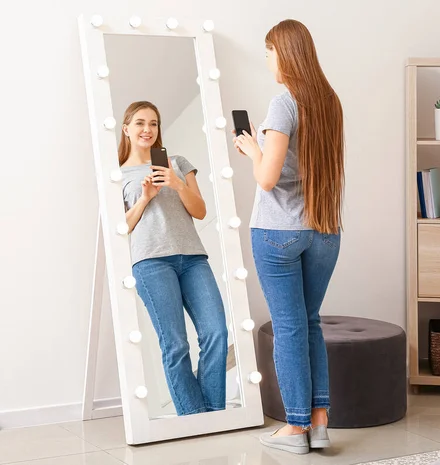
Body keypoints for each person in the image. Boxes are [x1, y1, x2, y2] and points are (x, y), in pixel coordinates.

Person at [233, 19, 345, 454]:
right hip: (324, 231)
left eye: (268, 51)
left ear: (284, 53)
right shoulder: (329, 102)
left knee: (290, 328)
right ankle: (319, 422)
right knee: (309, 322)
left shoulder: (284, 103)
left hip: (279, 232)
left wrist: (251, 149)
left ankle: (295, 429)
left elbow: (267, 178)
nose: (267, 60)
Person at [119, 100, 228, 416]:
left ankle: (211, 416)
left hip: (193, 259)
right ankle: (197, 420)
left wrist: (177, 184)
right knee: (176, 346)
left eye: (153, 123)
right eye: (140, 123)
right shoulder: (117, 175)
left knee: (216, 333)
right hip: (152, 262)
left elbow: (200, 210)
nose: (147, 130)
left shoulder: (177, 162)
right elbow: (120, 227)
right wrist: (144, 200)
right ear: (127, 129)